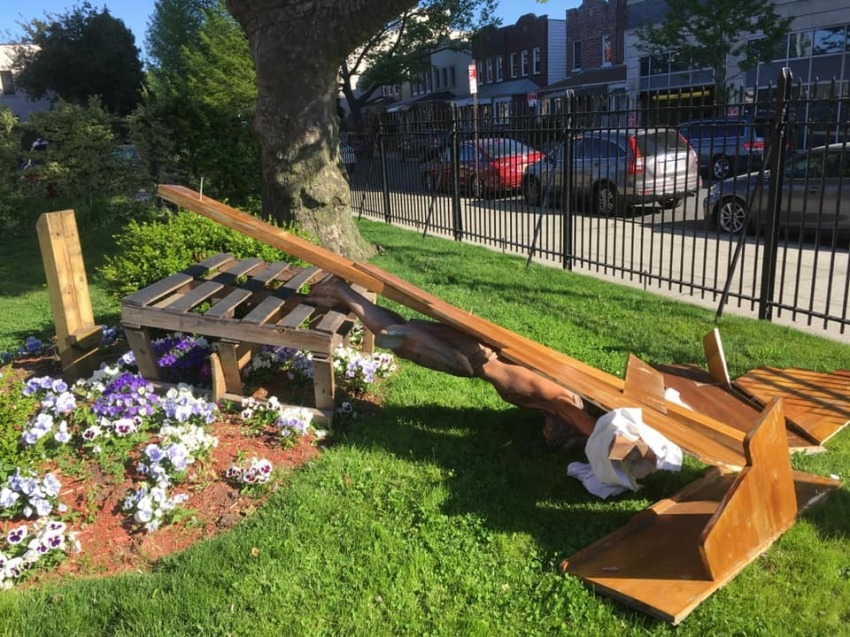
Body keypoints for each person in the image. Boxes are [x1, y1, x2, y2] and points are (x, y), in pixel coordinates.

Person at [308, 276, 596, 447]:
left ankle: (343, 294)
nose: (545, 434)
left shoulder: (550, 402)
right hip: (471, 360)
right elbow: (598, 435)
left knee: (404, 331)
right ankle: (342, 292)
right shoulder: (563, 403)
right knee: (396, 337)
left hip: (480, 354)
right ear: (566, 425)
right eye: (552, 435)